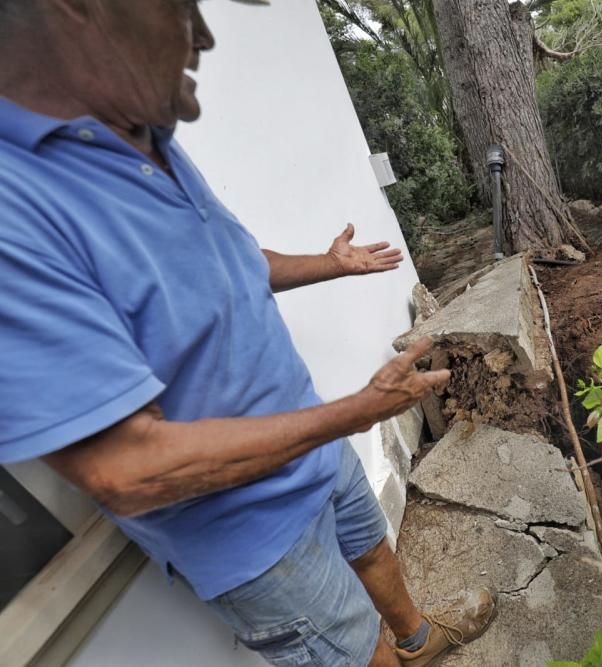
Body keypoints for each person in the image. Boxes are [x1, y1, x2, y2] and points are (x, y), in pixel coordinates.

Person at [0, 1, 495, 665]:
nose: (203, 35)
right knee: (352, 651)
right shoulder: (15, 208)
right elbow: (126, 469)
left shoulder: (149, 140)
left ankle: (416, 636)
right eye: (183, 9)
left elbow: (230, 261)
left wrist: (330, 264)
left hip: (314, 441)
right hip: (254, 537)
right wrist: (354, 413)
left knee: (373, 547)